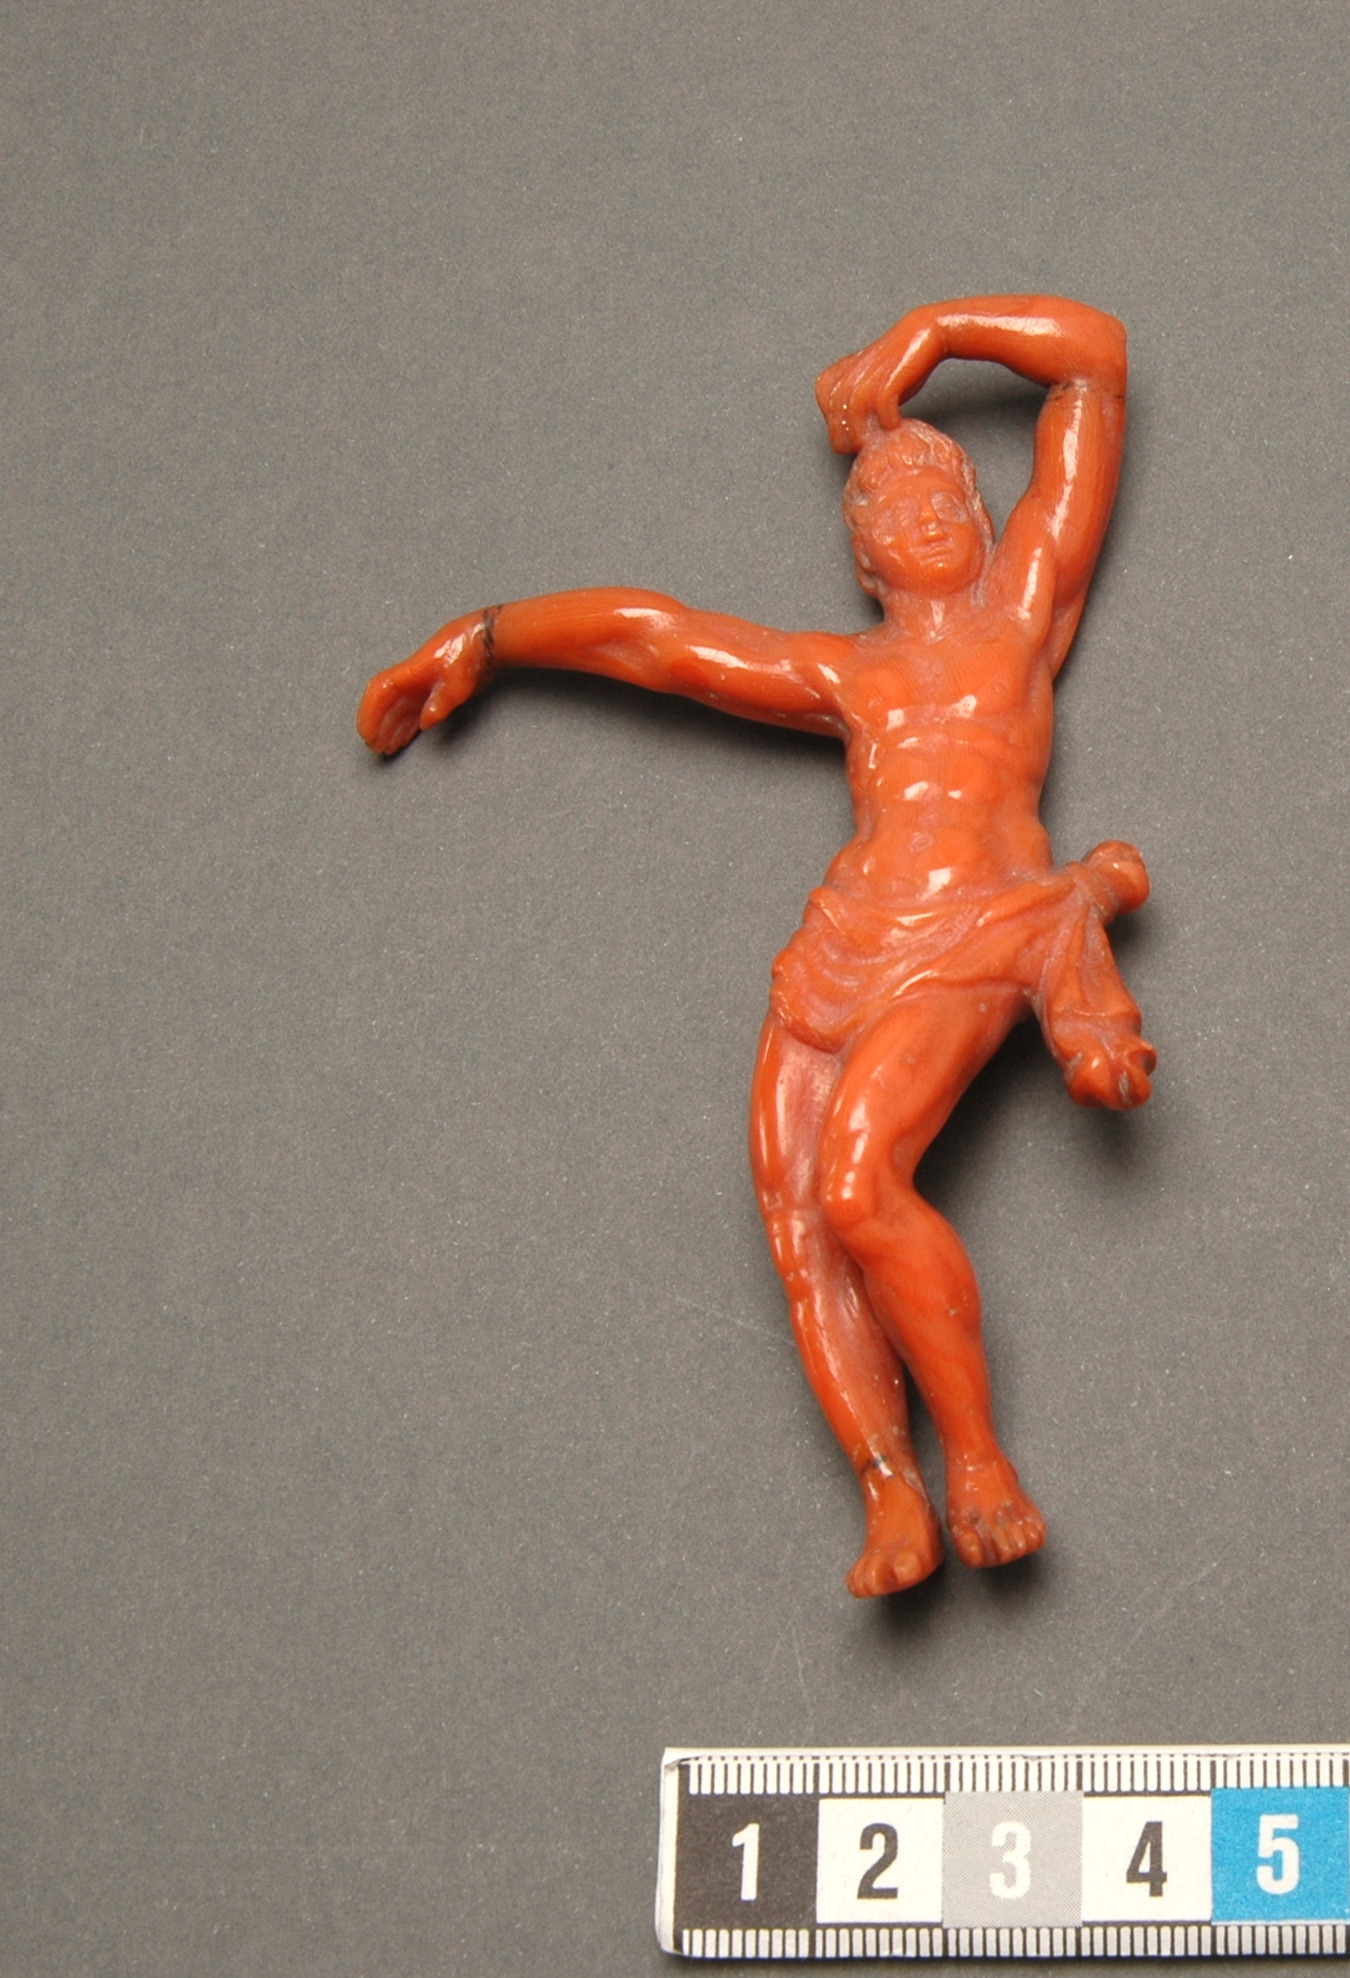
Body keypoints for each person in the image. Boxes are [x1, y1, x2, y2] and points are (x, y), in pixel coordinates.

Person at [359, 296, 1151, 1595]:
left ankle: (978, 1464)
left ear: (986, 515)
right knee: (798, 1223)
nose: (923, 514)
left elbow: (1094, 362)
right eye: (891, 509)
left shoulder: (1022, 613)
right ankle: (889, 1491)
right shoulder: (849, 675)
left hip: (978, 930)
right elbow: (656, 639)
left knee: (859, 1184)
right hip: (844, 940)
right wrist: (488, 639)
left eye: (945, 494)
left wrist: (934, 333)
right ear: (866, 559)